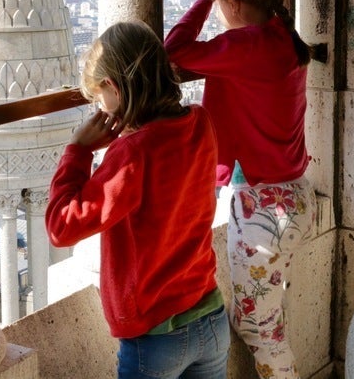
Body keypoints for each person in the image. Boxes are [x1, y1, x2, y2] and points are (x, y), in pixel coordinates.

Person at [45, 21, 230, 379]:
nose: (102, 110)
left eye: (100, 99)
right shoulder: (199, 121)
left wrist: (78, 152)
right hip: (210, 313)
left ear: (114, 88)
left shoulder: (132, 152)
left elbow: (62, 227)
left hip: (157, 335)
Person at [164, 0, 316, 379]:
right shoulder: (283, 38)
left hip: (261, 213)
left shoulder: (246, 45)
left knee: (259, 331)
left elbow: (171, 50)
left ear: (231, 2)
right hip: (295, 196)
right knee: (267, 322)